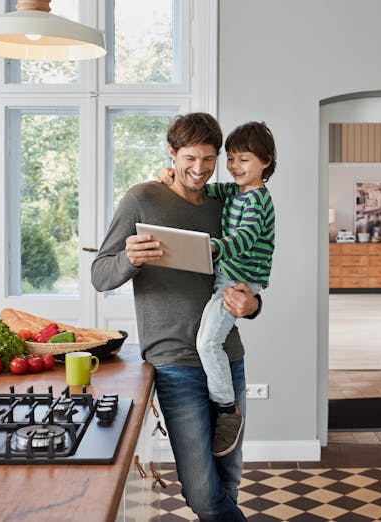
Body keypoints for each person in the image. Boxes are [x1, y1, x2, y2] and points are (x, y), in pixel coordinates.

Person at [91, 112, 259, 522]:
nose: (199, 170)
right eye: (189, 158)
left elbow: (248, 269)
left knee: (227, 482)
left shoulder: (226, 203)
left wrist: (253, 306)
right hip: (174, 364)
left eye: (208, 159)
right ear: (171, 152)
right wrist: (129, 258)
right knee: (203, 494)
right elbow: (101, 274)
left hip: (226, 355)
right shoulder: (143, 198)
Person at [159, 121, 276, 457]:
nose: (236, 167)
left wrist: (212, 248)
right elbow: (204, 190)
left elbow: (244, 238)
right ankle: (223, 405)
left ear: (265, 162)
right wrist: (169, 176)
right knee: (207, 341)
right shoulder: (235, 193)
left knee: (208, 343)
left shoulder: (257, 202)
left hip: (238, 282)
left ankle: (226, 410)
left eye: (246, 161)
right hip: (226, 280)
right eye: (232, 159)